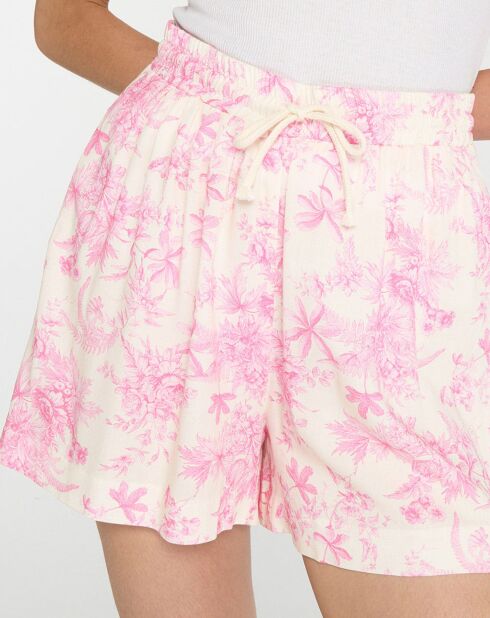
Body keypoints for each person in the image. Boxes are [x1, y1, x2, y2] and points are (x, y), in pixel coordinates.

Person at [2, 1, 490, 617]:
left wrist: (415, 122)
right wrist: (210, 102)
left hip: (406, 243)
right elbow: (66, 18)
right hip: (186, 207)